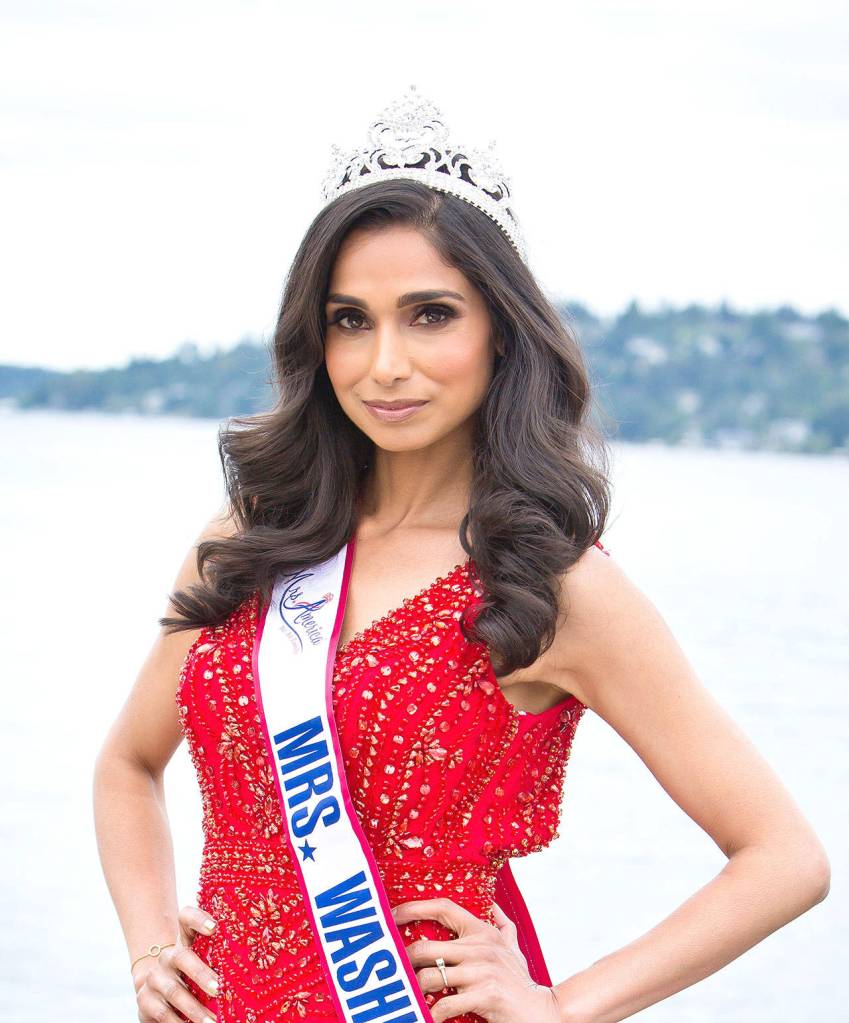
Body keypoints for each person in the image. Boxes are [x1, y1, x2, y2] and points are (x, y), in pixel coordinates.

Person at [93, 86, 830, 1023]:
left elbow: (784, 858)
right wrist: (151, 946)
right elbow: (127, 765)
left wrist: (562, 1004)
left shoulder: (554, 587)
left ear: (500, 330)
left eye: (430, 314)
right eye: (349, 319)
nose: (384, 362)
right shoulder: (247, 542)